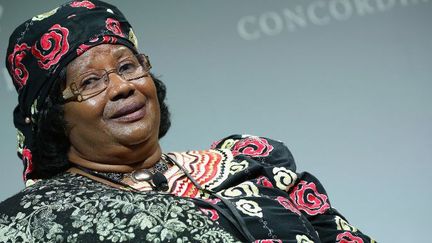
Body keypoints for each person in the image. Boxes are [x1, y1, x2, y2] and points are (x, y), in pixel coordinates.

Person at [0, 1, 376, 242]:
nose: (121, 87)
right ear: (52, 118)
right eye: (90, 82)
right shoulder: (32, 224)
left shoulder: (249, 164)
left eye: (127, 66)